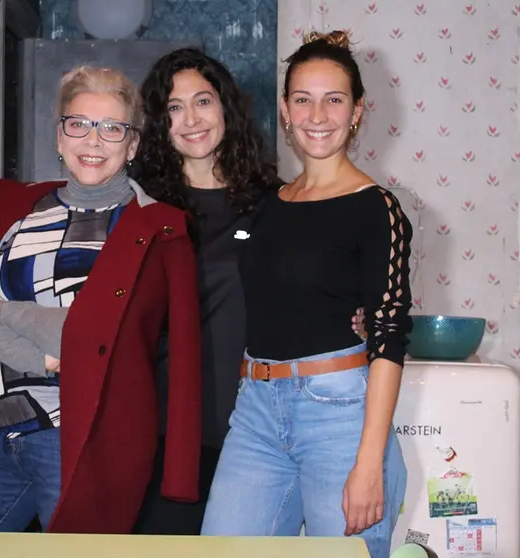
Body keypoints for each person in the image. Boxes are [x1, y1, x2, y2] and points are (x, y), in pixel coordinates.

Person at [0, 66, 203, 534]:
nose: (93, 140)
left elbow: (86, 337)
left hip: (84, 443)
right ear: (59, 137)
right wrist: (36, 357)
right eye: (79, 123)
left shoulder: (159, 231)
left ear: (133, 145)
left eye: (112, 128)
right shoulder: (13, 212)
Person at [130, 47, 366, 535]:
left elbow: (325, 282)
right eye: (174, 107)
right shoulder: (141, 210)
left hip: (254, 429)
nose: (191, 119)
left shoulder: (274, 203)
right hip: (162, 429)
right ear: (159, 121)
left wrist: (358, 311)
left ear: (226, 108)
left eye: (203, 101)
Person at [199, 30, 411, 558]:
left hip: (338, 414)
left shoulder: (376, 208)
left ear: (358, 111)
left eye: (334, 99)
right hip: (255, 413)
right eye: (303, 99)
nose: (318, 114)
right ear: (286, 110)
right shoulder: (268, 203)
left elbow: (389, 335)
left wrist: (369, 463)